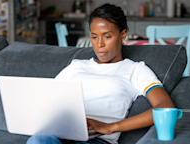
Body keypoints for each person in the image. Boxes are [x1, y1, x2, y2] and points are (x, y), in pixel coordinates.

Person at [26, 3, 175, 144]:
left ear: (123, 35)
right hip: (60, 135)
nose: (99, 44)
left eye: (107, 36)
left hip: (98, 140)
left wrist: (111, 127)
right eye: (94, 36)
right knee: (38, 140)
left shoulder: (135, 70)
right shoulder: (77, 66)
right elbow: (47, 98)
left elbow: (165, 106)